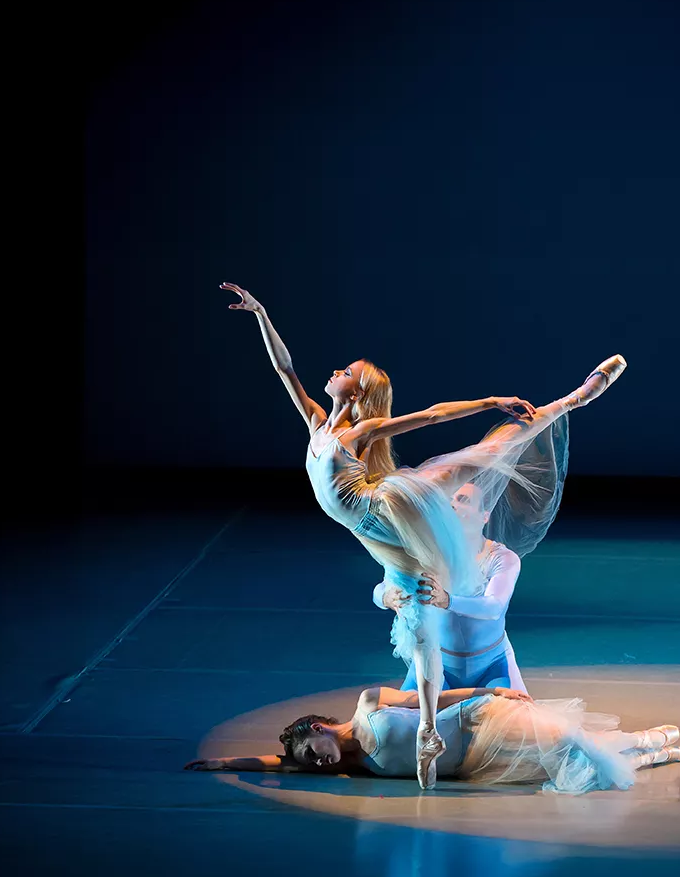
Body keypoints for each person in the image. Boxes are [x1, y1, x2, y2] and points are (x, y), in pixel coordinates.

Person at [223, 281, 623, 787]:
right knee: (413, 606)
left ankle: (570, 401)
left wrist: (489, 401)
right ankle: (429, 730)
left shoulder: (355, 434)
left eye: (346, 372)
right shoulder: (318, 423)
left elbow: (430, 417)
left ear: (359, 392)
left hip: (385, 508)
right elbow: (285, 367)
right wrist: (260, 313)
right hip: (369, 531)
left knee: (472, 461)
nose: (335, 372)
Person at [184, 683, 680, 795]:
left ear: (318, 729)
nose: (317, 764)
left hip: (479, 720)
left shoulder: (368, 705)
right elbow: (280, 764)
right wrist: (223, 763)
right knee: (571, 766)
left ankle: (653, 738)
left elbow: (433, 693)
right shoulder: (356, 765)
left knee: (568, 743)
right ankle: (657, 751)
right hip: (476, 761)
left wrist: (491, 689)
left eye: (314, 753)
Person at [373, 479, 528, 692]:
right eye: (449, 501)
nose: (453, 504)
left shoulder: (501, 558)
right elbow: (380, 588)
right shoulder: (426, 553)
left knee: (511, 719)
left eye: (463, 500)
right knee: (395, 718)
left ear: (484, 516)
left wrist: (448, 600)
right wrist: (386, 597)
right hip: (439, 662)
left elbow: (494, 607)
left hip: (490, 665)